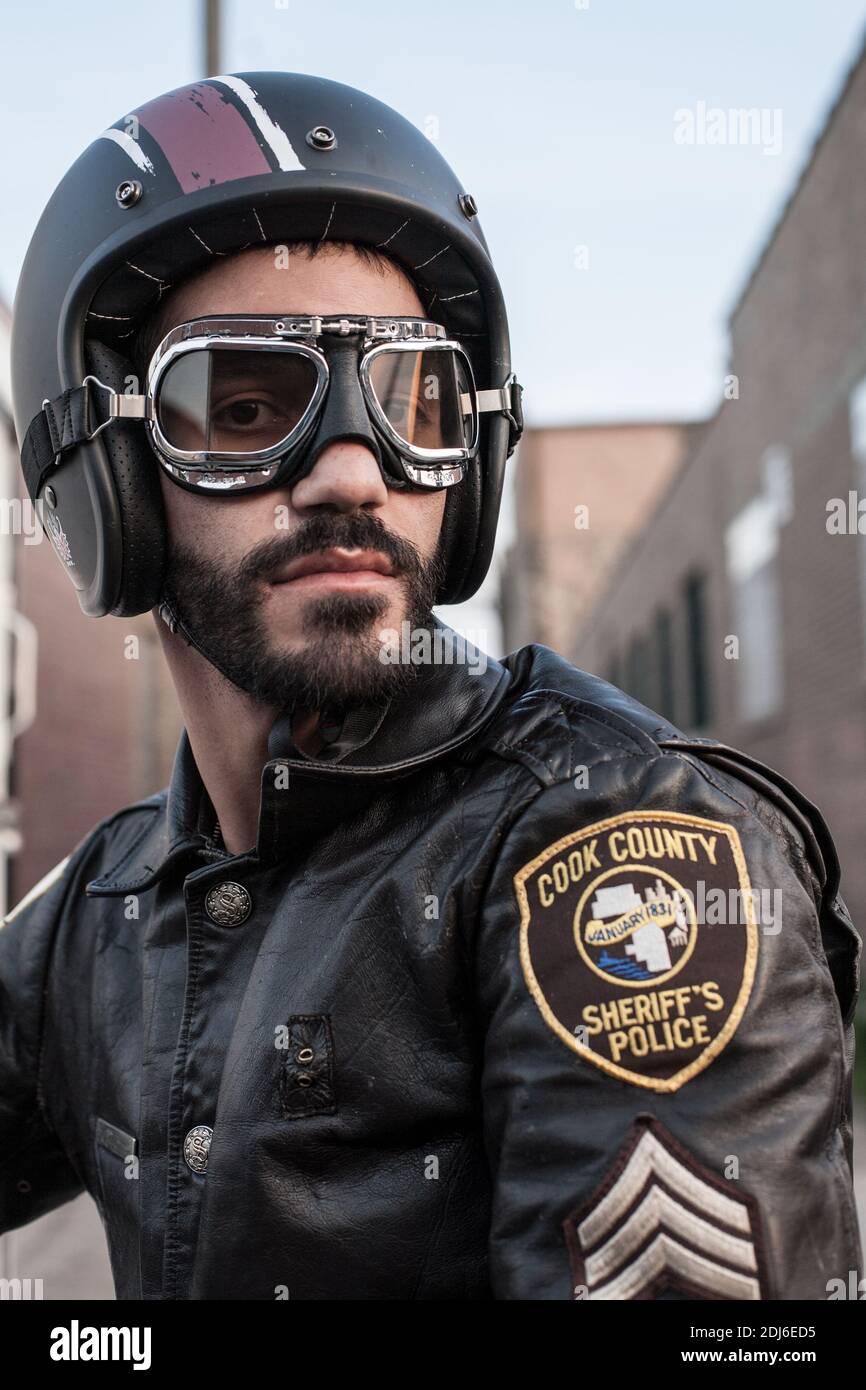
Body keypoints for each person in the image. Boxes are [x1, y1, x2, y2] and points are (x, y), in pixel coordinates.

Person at [1, 71, 861, 1301]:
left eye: (413, 400)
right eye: (243, 403)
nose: (354, 468)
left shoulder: (624, 841)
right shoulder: (105, 904)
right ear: (103, 470)